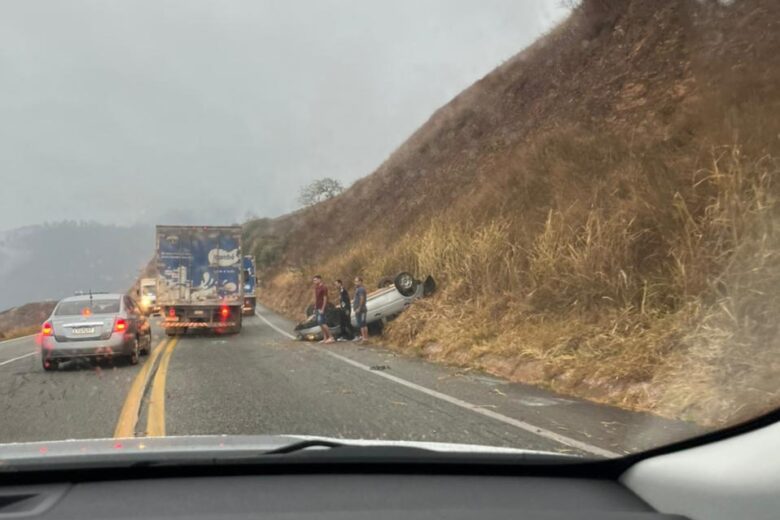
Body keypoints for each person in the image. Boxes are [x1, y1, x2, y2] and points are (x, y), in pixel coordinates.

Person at [312, 275, 334, 344]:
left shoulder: (324, 288)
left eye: (315, 280)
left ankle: (331, 337)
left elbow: (325, 298)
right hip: (318, 307)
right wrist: (315, 306)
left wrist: (323, 308)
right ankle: (325, 338)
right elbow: (316, 298)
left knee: (322, 322)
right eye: (314, 280)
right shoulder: (316, 288)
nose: (314, 282)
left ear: (319, 280)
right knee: (320, 323)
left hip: (323, 307)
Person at [352, 276, 368, 342]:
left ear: (361, 282)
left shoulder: (361, 289)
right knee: (360, 324)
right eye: (355, 281)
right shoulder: (357, 289)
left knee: (363, 324)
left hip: (362, 310)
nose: (356, 283)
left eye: (357, 281)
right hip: (357, 310)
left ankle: (365, 338)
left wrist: (359, 308)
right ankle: (363, 337)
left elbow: (362, 299)